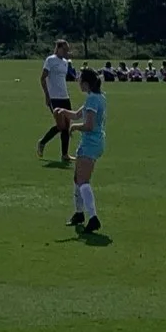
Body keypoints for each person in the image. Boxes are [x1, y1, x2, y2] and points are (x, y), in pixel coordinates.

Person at [59, 68, 107, 234]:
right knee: (77, 178)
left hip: (91, 143)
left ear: (86, 84)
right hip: (92, 142)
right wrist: (64, 112)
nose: (78, 82)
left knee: (83, 181)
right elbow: (78, 114)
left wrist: (75, 127)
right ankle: (79, 214)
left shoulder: (93, 100)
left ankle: (93, 218)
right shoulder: (96, 98)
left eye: (80, 80)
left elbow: (89, 125)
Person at [38, 39, 75, 162]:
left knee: (67, 126)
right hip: (54, 97)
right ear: (58, 48)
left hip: (65, 96)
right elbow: (43, 78)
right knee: (61, 125)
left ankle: (65, 154)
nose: (66, 52)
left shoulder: (65, 62)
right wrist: (47, 95)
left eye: (67, 50)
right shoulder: (50, 60)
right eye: (64, 49)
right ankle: (42, 142)